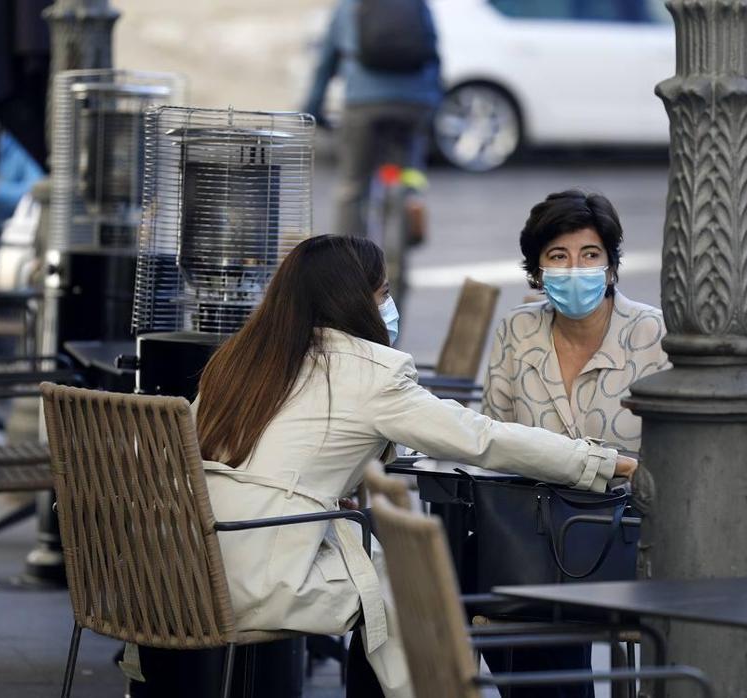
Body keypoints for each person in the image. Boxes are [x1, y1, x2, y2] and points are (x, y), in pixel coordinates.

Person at [194, 235, 637, 698]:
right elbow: (481, 437)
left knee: (387, 569)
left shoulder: (240, 358)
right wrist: (601, 461)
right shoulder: (367, 371)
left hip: (189, 568)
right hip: (262, 578)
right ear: (352, 300)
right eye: (383, 293)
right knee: (413, 586)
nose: (388, 305)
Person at [480, 190, 669, 697]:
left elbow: (670, 456)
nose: (575, 269)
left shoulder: (651, 332)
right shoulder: (517, 330)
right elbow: (492, 433)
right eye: (557, 257)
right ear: (537, 271)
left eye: (590, 255)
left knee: (542, 618)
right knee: (502, 610)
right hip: (532, 532)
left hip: (621, 533)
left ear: (611, 266)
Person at [303, 0, 441, 250]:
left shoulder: (348, 6)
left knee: (353, 185)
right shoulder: (417, 4)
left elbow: (326, 63)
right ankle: (409, 205)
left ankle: (350, 263)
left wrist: (312, 108)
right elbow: (433, 54)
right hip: (414, 104)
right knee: (408, 173)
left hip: (363, 103)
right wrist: (432, 104)